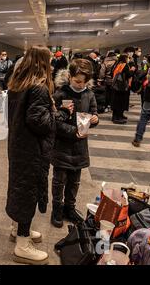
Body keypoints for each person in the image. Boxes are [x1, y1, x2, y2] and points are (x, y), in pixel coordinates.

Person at [6, 46, 56, 265]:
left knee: (19, 187)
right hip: (31, 149)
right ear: (42, 62)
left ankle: (18, 229)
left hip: (18, 145)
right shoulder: (38, 88)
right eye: (50, 61)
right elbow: (38, 122)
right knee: (27, 192)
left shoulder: (17, 84)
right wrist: (55, 113)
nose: (52, 65)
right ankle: (22, 246)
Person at [50, 59, 99, 227]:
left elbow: (94, 113)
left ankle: (69, 208)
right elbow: (54, 121)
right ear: (70, 76)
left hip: (80, 147)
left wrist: (95, 119)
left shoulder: (89, 94)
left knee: (74, 181)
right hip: (62, 146)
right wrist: (72, 132)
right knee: (59, 180)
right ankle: (57, 208)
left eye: (84, 82)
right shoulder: (60, 94)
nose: (80, 85)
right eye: (77, 81)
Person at [111, 54, 133, 124]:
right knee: (120, 102)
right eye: (128, 58)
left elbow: (112, 73)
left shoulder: (117, 64)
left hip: (115, 85)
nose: (128, 59)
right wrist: (132, 70)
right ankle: (118, 117)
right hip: (122, 86)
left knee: (116, 101)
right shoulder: (124, 65)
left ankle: (116, 116)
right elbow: (128, 74)